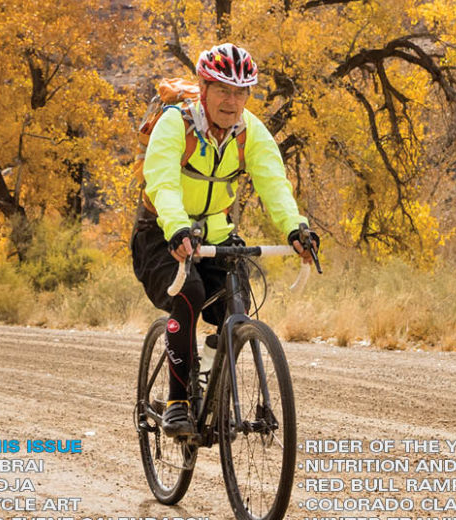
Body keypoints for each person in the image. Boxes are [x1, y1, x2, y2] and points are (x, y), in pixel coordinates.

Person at [131, 42, 318, 436]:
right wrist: (178, 228)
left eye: (241, 92)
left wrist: (295, 228)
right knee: (190, 294)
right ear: (202, 87)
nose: (232, 101)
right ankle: (179, 400)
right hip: (160, 231)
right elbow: (162, 183)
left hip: (215, 233)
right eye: (222, 90)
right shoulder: (175, 124)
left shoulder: (251, 131)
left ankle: (211, 386)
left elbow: (274, 184)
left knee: (237, 303)